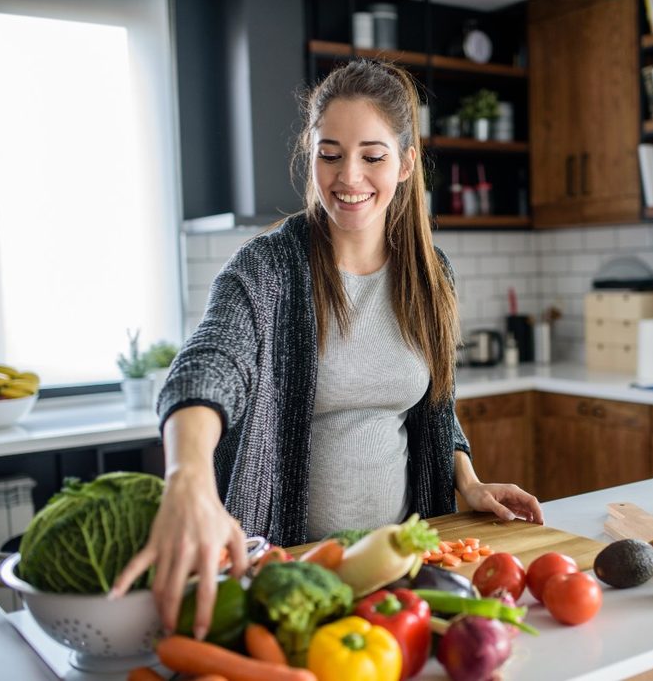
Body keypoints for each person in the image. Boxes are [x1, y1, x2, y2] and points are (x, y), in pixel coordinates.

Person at [111, 59, 543, 638]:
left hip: (400, 572)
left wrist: (467, 480)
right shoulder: (266, 270)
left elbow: (435, 406)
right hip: (287, 577)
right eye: (330, 153)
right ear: (310, 153)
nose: (349, 176)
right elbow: (208, 365)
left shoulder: (431, 274)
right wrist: (186, 474)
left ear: (407, 163)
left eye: (373, 155)